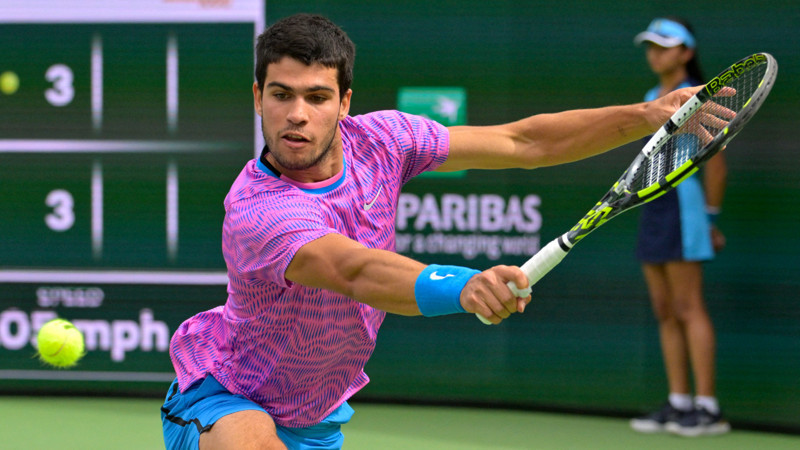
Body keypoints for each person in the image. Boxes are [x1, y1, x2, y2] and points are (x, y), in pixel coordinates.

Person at [160, 13, 707, 449]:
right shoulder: (257, 210)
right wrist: (463, 287)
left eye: (317, 97)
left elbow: (524, 142)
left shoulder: (384, 142)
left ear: (344, 103)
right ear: (258, 97)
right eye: (281, 95)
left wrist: (645, 115)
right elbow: (353, 269)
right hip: (227, 394)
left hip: (315, 414)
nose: (296, 115)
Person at [628, 17, 730, 437]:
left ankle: (707, 408)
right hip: (652, 205)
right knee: (665, 309)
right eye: (651, 45)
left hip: (684, 207)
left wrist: (709, 219)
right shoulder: (653, 96)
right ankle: (678, 401)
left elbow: (717, 163)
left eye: (665, 45)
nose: (656, 52)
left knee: (689, 307)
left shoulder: (703, 97)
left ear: (686, 52)